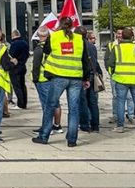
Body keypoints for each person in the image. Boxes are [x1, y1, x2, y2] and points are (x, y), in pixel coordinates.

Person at [33, 17, 90, 147]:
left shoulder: (54, 37)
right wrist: (86, 78)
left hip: (58, 76)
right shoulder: (79, 39)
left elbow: (46, 50)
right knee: (74, 109)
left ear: (59, 25)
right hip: (75, 77)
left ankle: (44, 136)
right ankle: (72, 140)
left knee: (50, 105)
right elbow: (85, 60)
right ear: (72, 26)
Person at [105, 27, 135, 133]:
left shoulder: (117, 48)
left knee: (120, 102)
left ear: (121, 36)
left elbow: (110, 63)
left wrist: (114, 71)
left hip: (121, 79)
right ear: (133, 37)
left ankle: (120, 126)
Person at [31, 27, 63, 134]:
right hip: (54, 77)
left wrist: (35, 79)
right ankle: (57, 126)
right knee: (56, 103)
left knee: (46, 105)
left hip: (42, 79)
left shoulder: (39, 48)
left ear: (39, 36)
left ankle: (46, 127)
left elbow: (36, 65)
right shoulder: (54, 47)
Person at [106, 28, 135, 125]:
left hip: (129, 74)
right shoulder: (111, 45)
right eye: (118, 33)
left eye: (122, 34)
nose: (120, 35)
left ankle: (131, 115)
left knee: (130, 97)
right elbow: (107, 60)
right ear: (115, 34)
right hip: (115, 75)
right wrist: (111, 71)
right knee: (115, 96)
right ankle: (116, 115)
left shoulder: (133, 45)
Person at [80, 30, 102, 133]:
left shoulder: (80, 45)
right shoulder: (92, 46)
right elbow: (95, 62)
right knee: (93, 102)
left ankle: (85, 124)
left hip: (84, 75)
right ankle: (95, 125)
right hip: (93, 74)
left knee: (83, 101)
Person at [8, 29, 29, 110]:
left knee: (17, 86)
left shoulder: (14, 44)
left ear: (13, 36)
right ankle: (24, 103)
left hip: (15, 68)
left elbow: (11, 55)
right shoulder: (25, 43)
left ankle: (20, 104)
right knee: (22, 85)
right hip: (23, 66)